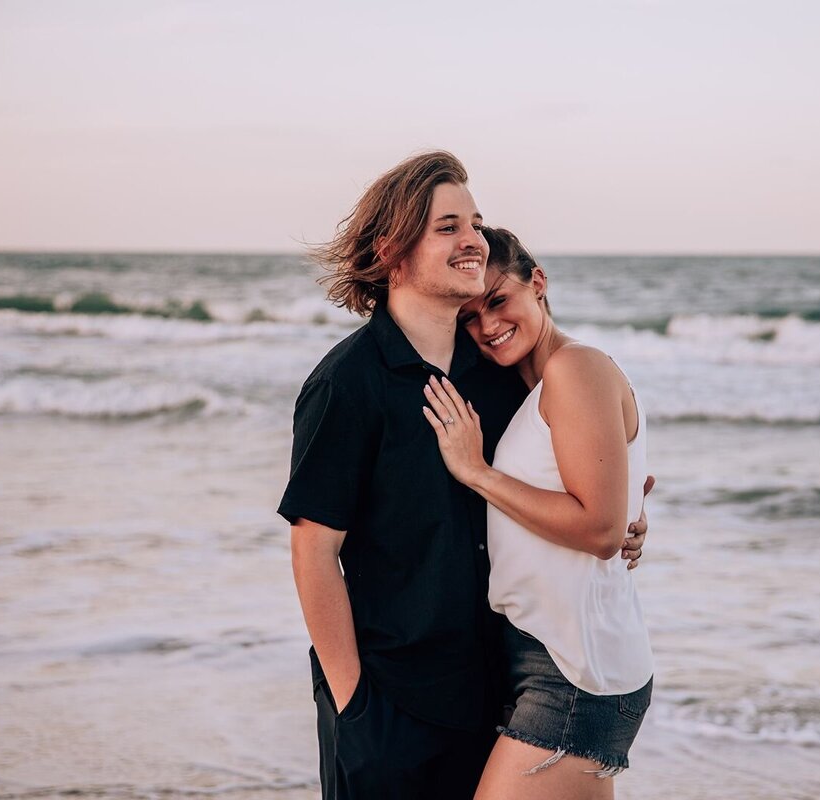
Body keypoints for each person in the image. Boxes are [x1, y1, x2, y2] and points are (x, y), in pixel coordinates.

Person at [277, 152, 648, 800]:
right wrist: (353, 702)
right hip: (388, 702)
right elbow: (314, 551)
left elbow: (580, 487)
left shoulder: (499, 375)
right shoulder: (348, 383)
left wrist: (627, 522)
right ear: (393, 248)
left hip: (493, 695)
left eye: (475, 222)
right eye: (448, 225)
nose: (473, 238)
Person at [421, 227, 653, 800]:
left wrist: (476, 472)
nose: (487, 326)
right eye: (469, 317)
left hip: (574, 673)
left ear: (538, 283)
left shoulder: (576, 368)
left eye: (498, 300)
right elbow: (605, 505)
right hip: (553, 657)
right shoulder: (534, 387)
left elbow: (600, 530)